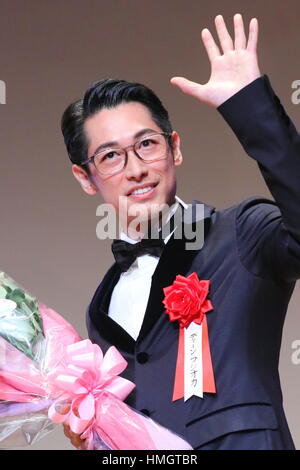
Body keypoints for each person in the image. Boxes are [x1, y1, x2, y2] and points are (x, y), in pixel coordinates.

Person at [61, 14, 300, 450]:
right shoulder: (101, 307)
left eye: (147, 144)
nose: (135, 169)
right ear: (85, 177)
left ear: (175, 148)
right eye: (111, 156)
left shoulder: (242, 233)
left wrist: (251, 107)